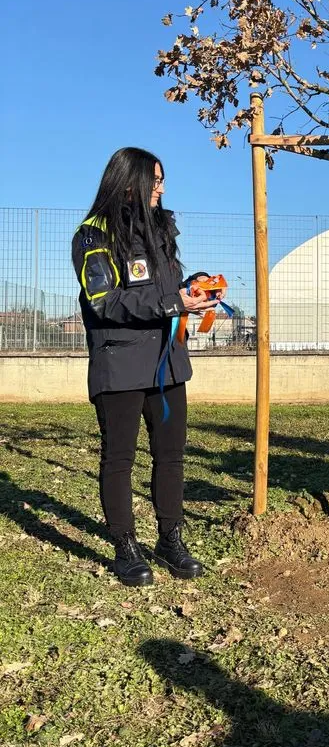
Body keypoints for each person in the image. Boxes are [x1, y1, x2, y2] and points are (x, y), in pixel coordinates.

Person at [71, 148, 218, 587]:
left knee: (171, 457)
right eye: (154, 180)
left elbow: (163, 289)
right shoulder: (93, 235)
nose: (162, 188)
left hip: (168, 363)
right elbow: (106, 302)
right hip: (120, 365)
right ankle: (125, 546)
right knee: (119, 458)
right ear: (128, 180)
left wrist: (191, 291)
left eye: (163, 179)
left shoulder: (160, 227)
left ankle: (169, 539)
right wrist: (173, 301)